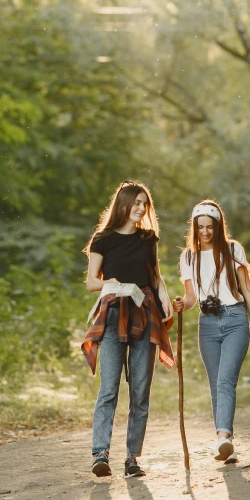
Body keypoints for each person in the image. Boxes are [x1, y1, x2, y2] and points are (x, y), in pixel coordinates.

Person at [81, 180, 174, 478]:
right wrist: (119, 286)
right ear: (123, 204)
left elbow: (155, 276)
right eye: (136, 202)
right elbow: (91, 282)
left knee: (140, 389)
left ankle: (132, 458)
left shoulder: (148, 239)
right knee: (108, 388)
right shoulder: (103, 239)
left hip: (145, 314)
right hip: (112, 314)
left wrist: (164, 300)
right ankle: (100, 453)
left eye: (145, 203)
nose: (141, 208)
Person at [173, 201, 250, 464]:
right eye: (200, 227)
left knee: (225, 381)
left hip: (235, 318)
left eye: (209, 227)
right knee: (216, 387)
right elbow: (192, 298)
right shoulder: (188, 257)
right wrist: (182, 304)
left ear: (217, 226)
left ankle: (223, 438)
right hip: (208, 323)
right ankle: (225, 444)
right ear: (194, 228)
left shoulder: (233, 249)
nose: (205, 232)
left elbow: (247, 288)